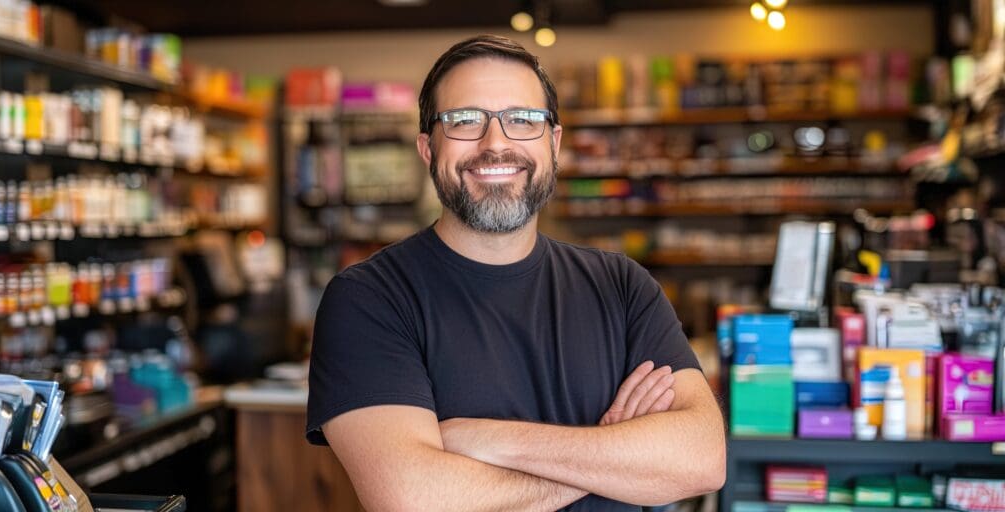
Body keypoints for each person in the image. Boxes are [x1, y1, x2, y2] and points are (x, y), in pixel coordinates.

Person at [306, 34, 726, 511]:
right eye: (464, 120)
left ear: (554, 142)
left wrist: (486, 439)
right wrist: (612, 454)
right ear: (427, 149)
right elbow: (414, 500)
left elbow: (702, 458)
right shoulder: (368, 299)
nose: (496, 144)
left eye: (523, 120)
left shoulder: (624, 286)